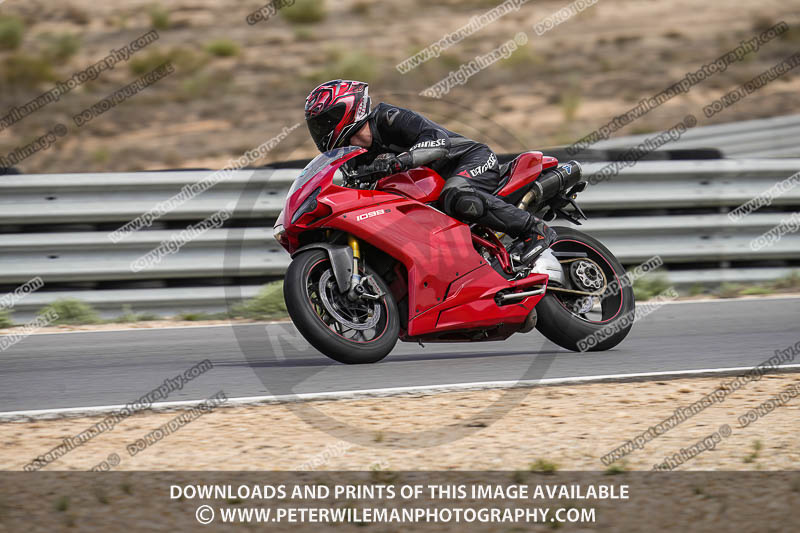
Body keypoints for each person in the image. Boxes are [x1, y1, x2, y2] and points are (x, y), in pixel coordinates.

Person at [304, 79, 557, 264]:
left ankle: (534, 230)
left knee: (457, 195)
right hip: (428, 193)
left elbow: (436, 141)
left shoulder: (389, 118)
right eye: (317, 126)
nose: (322, 130)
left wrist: (400, 161)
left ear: (348, 108)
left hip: (468, 160)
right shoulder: (353, 161)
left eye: (326, 120)